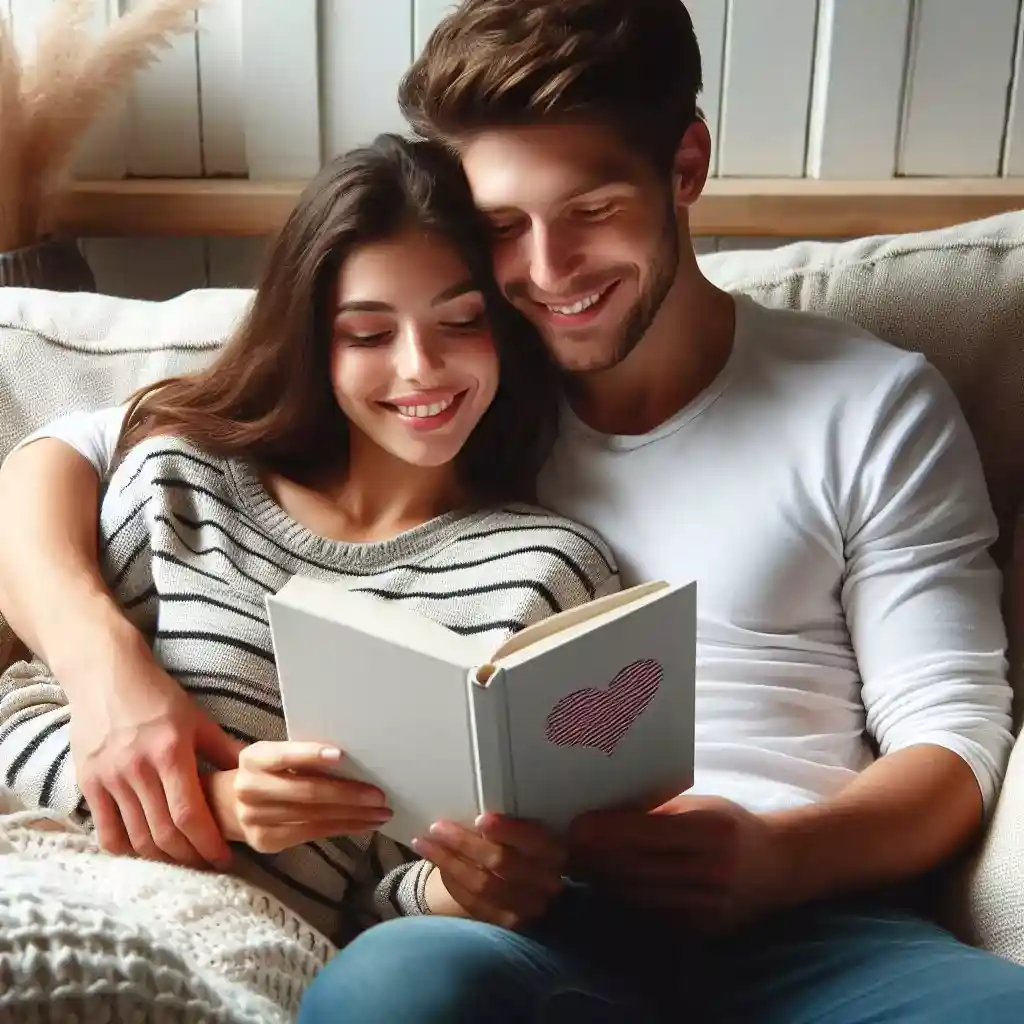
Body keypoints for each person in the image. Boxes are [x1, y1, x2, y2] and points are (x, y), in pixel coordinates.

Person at [0, 1, 1021, 1021]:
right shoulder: (444, 384)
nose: (547, 271)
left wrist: (780, 858)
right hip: (522, 929)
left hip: (809, 920)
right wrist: (104, 666)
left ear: (686, 166)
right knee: (396, 986)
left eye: (592, 211)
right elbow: (68, 456)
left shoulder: (867, 402)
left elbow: (954, 736)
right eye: (500, 229)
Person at [0, 132, 617, 951]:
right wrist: (219, 809)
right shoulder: (183, 480)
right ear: (315, 344)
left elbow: (377, 911)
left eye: (461, 321)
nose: (421, 368)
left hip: (259, 955)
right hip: (50, 881)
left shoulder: (544, 573)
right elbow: (20, 717)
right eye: (368, 335)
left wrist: (458, 890)